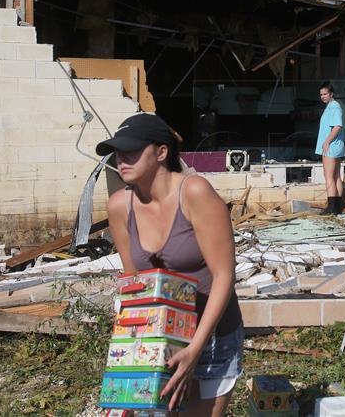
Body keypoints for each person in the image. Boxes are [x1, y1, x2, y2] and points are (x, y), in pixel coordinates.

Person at [97, 113, 243, 416]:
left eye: (132, 150)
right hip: (161, 336)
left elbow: (223, 275)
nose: (122, 158)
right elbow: (134, 280)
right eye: (118, 151)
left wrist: (195, 349)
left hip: (211, 334)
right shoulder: (119, 206)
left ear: (161, 152)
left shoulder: (194, 192)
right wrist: (130, 351)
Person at [315, 82, 345, 215]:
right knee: (336, 176)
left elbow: (337, 126)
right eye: (321, 94)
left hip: (331, 146)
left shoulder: (334, 107)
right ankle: (336, 208)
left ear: (331, 94)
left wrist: (327, 141)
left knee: (329, 176)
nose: (323, 96)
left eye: (325, 94)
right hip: (335, 146)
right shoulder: (332, 107)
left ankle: (332, 208)